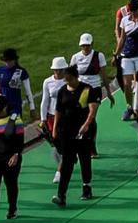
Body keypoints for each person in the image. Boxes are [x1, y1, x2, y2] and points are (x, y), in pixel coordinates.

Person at [41, 56, 100, 206]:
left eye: (69, 80)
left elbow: (92, 109)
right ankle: (61, 195)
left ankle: (87, 187)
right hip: (66, 131)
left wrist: (87, 124)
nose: (67, 82)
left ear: (76, 77)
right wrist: (54, 129)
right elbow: (58, 110)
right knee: (67, 162)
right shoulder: (62, 91)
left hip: (83, 131)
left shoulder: (87, 89)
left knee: (84, 159)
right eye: (65, 80)